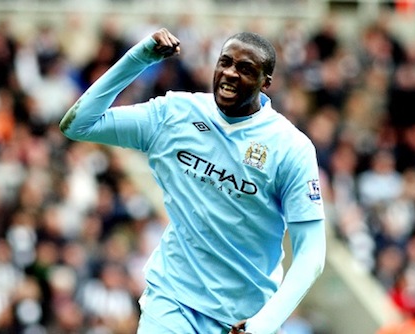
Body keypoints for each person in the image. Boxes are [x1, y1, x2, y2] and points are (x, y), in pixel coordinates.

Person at [59, 27, 326, 334]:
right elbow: (79, 124)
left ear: (266, 83)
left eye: (245, 69)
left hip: (242, 319)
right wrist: (139, 57)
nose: (230, 74)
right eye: (225, 62)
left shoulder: (290, 148)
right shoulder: (175, 114)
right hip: (171, 301)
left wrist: (264, 324)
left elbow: (311, 255)